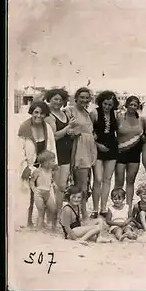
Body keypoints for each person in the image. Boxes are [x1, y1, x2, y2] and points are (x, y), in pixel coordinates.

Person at [18, 100, 57, 227]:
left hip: (44, 166)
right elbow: (19, 150)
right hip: (29, 165)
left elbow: (52, 148)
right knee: (28, 193)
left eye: (42, 113)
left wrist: (53, 165)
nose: (39, 116)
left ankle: (43, 220)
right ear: (31, 112)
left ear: (46, 115)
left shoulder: (48, 128)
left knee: (45, 192)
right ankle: (27, 220)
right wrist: (26, 168)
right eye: (36, 112)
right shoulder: (24, 128)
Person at [64, 87, 97, 220]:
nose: (84, 100)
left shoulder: (86, 112)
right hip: (79, 150)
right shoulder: (69, 111)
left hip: (88, 150)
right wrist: (75, 132)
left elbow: (88, 130)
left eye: (87, 98)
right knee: (80, 184)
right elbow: (68, 131)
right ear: (75, 97)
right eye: (82, 97)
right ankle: (83, 214)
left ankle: (79, 212)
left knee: (85, 183)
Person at [43, 88, 73, 219]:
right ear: (49, 99)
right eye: (55, 99)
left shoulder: (64, 113)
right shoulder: (49, 115)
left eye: (61, 100)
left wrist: (71, 132)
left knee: (62, 186)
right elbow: (54, 136)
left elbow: (67, 134)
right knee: (52, 186)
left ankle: (58, 212)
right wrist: (68, 128)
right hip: (54, 154)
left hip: (66, 153)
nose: (58, 102)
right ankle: (50, 215)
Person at [90, 90, 119, 218]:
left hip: (112, 148)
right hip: (97, 148)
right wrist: (97, 145)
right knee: (98, 179)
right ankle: (94, 209)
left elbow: (116, 131)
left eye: (109, 105)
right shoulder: (95, 113)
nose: (107, 107)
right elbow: (88, 131)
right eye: (105, 104)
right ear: (101, 102)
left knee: (107, 180)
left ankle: (103, 208)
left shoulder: (115, 114)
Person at [115, 96, 144, 211]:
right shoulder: (119, 118)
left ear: (138, 107)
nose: (133, 107)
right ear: (126, 105)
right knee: (119, 181)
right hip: (121, 152)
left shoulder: (141, 120)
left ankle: (128, 207)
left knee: (130, 181)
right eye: (131, 104)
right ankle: (117, 206)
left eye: (135, 105)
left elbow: (144, 135)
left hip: (135, 153)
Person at [29, 150, 58, 230]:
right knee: (41, 212)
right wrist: (34, 189)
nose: (54, 162)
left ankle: (54, 228)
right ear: (45, 162)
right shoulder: (38, 171)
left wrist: (53, 183)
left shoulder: (50, 171)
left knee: (54, 210)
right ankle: (39, 230)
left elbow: (49, 180)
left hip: (47, 193)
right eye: (52, 161)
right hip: (39, 194)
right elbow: (32, 181)